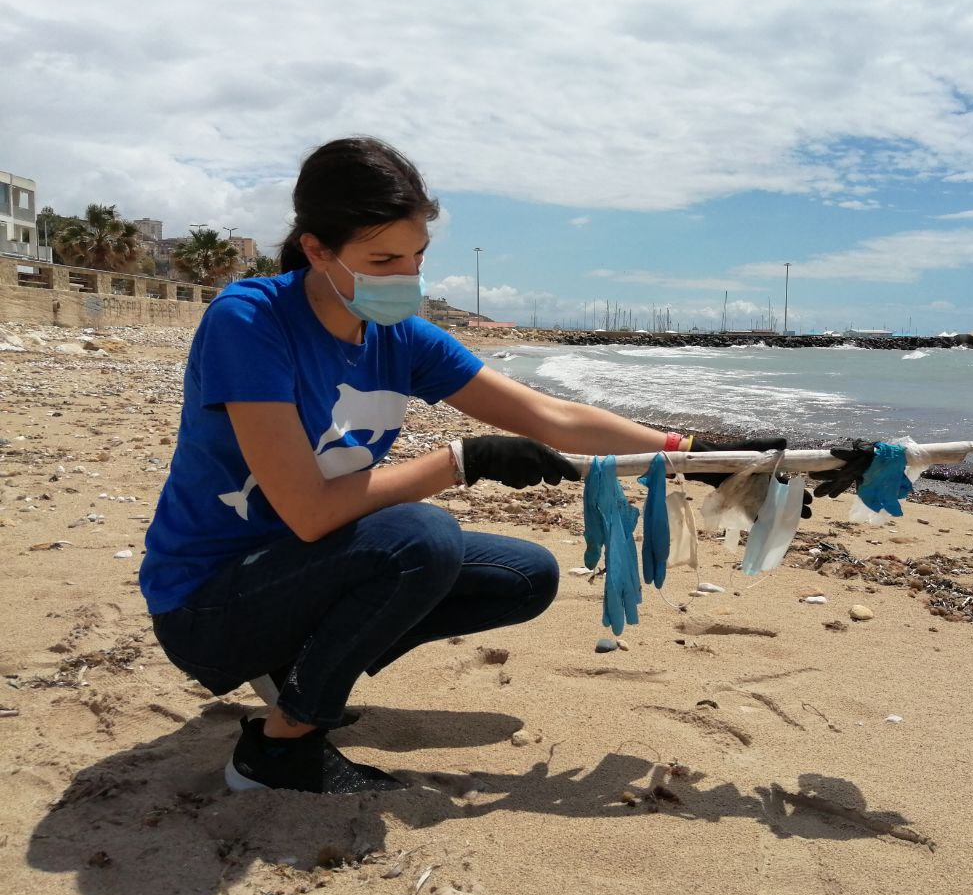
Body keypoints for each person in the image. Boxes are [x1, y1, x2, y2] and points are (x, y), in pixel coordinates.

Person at [141, 137, 860, 794]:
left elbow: (548, 416)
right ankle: (279, 749)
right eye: (383, 262)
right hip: (210, 599)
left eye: (417, 258)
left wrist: (696, 456)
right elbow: (310, 510)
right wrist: (460, 460)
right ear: (317, 250)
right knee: (420, 538)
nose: (407, 278)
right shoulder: (250, 321)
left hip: (302, 571)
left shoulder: (401, 338)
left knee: (524, 577)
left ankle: (299, 669)